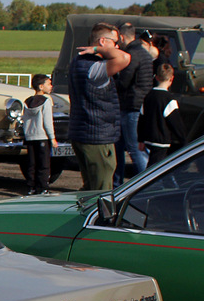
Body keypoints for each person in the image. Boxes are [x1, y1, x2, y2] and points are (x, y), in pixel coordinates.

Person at [68, 22, 131, 192]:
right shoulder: (95, 67)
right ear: (103, 41)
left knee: (90, 186)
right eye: (115, 42)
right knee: (101, 191)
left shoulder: (77, 62)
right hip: (97, 136)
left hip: (81, 132)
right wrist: (97, 50)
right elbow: (124, 58)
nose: (117, 46)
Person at [113, 23, 152, 185]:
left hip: (130, 106)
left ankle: (147, 182)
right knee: (136, 147)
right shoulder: (144, 53)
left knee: (134, 149)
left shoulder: (131, 55)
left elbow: (124, 82)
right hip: (141, 104)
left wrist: (112, 78)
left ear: (122, 37)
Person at [138, 63, 187, 168]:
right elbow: (176, 123)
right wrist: (183, 140)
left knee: (152, 165)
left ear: (156, 77)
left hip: (148, 139)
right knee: (155, 169)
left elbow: (141, 119)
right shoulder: (169, 99)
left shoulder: (148, 96)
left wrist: (141, 139)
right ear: (171, 79)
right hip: (161, 141)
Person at [23, 73, 58, 195]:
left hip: (30, 136)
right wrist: (52, 138)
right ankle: (43, 188)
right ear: (41, 86)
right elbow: (48, 121)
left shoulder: (27, 102)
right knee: (44, 164)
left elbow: (25, 120)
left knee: (32, 163)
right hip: (42, 136)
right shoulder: (46, 101)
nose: (51, 86)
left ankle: (31, 187)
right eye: (48, 84)